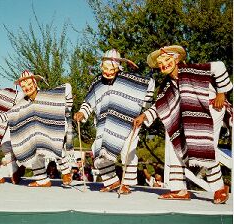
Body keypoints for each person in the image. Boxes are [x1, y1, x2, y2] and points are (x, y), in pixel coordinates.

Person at [134, 45, 232, 204]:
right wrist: (144, 115)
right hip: (189, 117)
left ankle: (220, 188)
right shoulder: (166, 85)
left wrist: (221, 92)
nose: (163, 64)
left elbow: (219, 66)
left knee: (204, 148)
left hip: (211, 109)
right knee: (174, 143)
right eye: (160, 63)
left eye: (167, 59)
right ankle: (179, 189)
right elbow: (160, 105)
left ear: (176, 59)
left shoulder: (192, 70)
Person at [74, 49, 155, 194]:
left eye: (112, 69)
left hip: (129, 121)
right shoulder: (97, 82)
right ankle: (112, 181)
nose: (108, 72)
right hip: (104, 124)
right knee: (98, 151)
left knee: (128, 151)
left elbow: (149, 83)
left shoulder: (129, 79)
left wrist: (145, 106)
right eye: (105, 68)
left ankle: (127, 184)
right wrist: (81, 112)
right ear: (101, 66)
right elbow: (89, 101)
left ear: (118, 67)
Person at [0, 70, 74, 187]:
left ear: (35, 83)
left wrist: (67, 106)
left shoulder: (47, 95)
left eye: (29, 84)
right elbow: (10, 114)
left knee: (54, 145)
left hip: (49, 129)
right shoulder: (22, 103)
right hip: (34, 135)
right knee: (34, 155)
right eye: (23, 86)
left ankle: (66, 172)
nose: (27, 87)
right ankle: (42, 180)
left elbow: (67, 87)